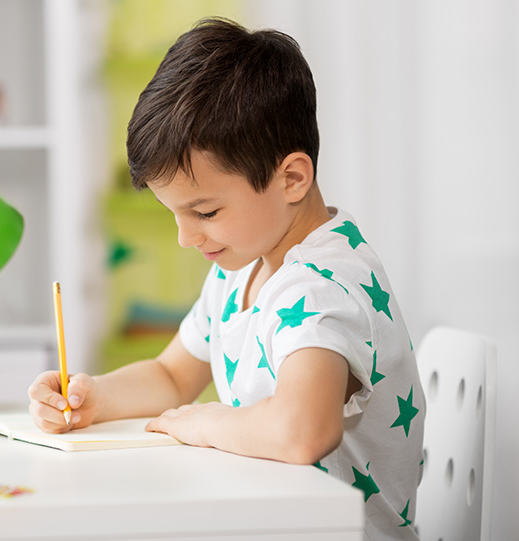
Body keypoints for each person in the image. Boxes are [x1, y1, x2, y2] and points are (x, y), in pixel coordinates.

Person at [28, 17, 424, 540]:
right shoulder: (244, 265)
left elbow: (302, 431)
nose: (185, 238)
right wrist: (92, 398)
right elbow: (172, 377)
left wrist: (202, 423)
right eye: (176, 215)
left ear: (292, 178)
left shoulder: (323, 286)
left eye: (206, 212)